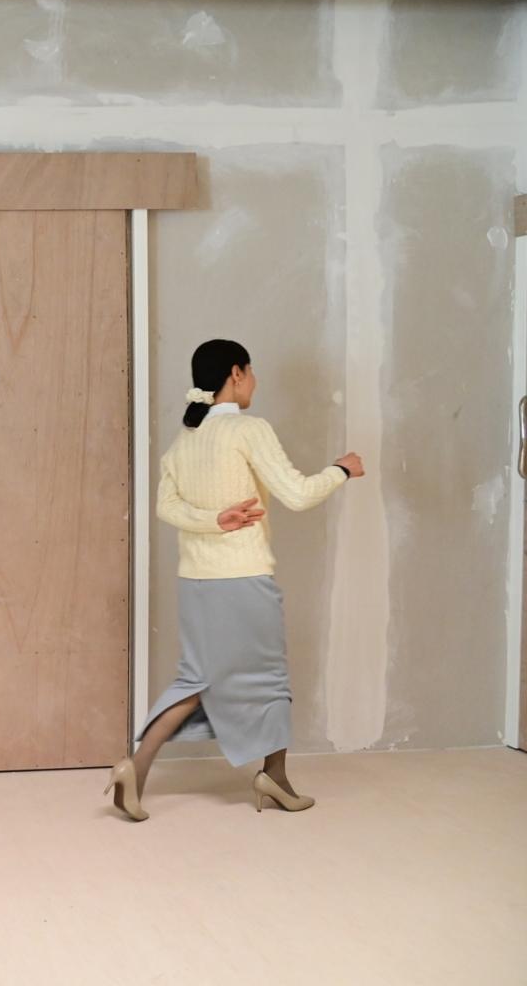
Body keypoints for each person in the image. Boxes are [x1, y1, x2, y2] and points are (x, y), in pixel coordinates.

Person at [106, 338, 364, 821]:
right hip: (242, 577)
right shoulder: (249, 429)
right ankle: (275, 778)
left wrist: (212, 521)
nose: (255, 382)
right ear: (236, 373)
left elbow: (165, 507)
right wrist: (341, 470)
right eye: (252, 371)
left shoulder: (185, 439)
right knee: (270, 679)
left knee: (197, 679)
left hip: (195, 580)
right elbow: (297, 494)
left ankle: (134, 769)